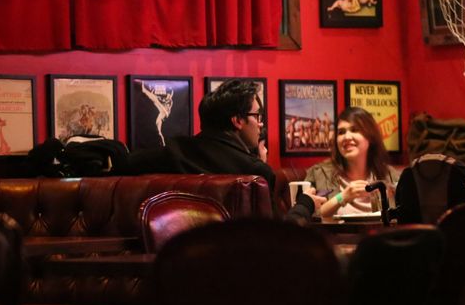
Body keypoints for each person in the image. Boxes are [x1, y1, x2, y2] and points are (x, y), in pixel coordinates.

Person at [126, 80, 324, 221]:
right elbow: (276, 239)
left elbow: (125, 162)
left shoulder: (174, 152)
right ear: (237, 121)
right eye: (257, 115)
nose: (261, 124)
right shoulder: (254, 171)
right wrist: (305, 204)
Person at [306, 107, 400, 218]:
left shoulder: (389, 175)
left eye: (354, 130)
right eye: (341, 132)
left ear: (370, 137)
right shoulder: (319, 173)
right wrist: (343, 197)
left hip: (380, 230)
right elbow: (306, 215)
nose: (347, 137)